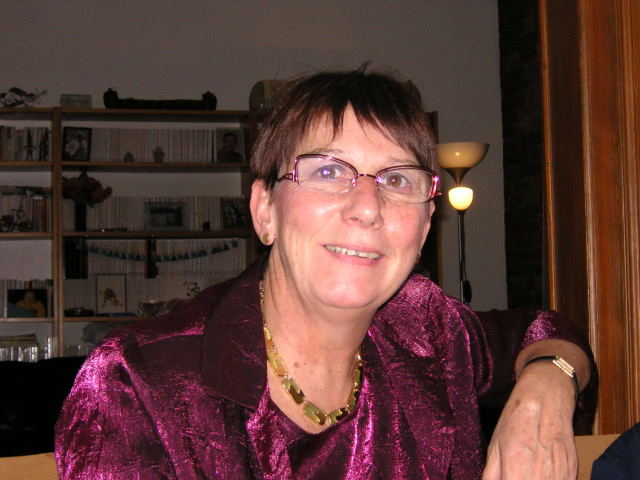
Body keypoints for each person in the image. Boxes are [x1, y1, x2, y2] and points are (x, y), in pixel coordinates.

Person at [55, 68, 596, 479]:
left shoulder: (427, 327)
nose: (367, 207)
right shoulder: (137, 384)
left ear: (426, 225)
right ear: (264, 210)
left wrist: (546, 388)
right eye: (329, 170)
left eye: (398, 180)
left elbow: (546, 333)